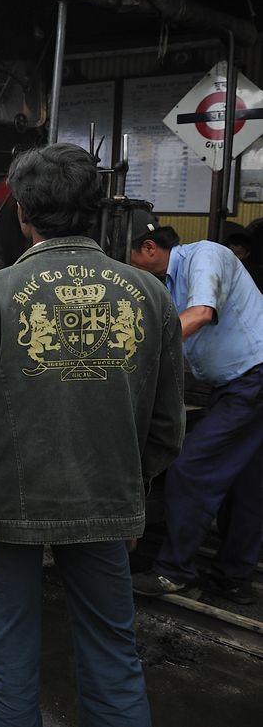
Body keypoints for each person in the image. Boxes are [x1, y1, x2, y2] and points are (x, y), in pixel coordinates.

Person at [0, 144, 185, 727]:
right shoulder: (151, 297)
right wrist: (127, 478)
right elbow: (167, 427)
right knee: (112, 652)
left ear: (22, 212)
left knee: (10, 655)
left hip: (4, 503)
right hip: (106, 499)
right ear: (96, 210)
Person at [129, 211, 263, 605]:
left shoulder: (205, 255)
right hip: (238, 383)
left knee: (191, 469)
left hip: (252, 379)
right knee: (247, 485)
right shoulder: (168, 285)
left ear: (149, 249)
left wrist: (133, 354)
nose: (130, 269)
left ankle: (174, 571)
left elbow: (201, 314)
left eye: (130, 259)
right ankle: (232, 579)